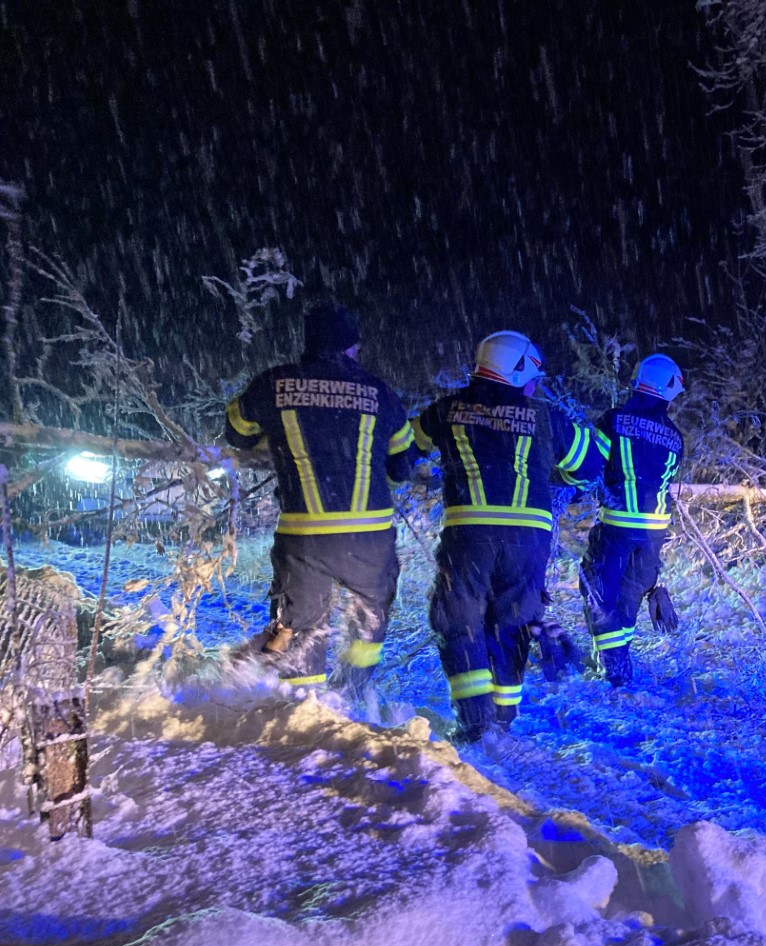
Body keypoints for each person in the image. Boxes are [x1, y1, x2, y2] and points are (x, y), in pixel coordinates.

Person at [414, 330, 604, 741]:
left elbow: (407, 446)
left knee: (459, 621)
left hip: (468, 534)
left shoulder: (447, 409)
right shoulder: (546, 417)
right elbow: (590, 465)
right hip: (528, 538)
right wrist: (552, 470)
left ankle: (474, 720)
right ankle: (501, 718)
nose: (534, 387)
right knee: (512, 623)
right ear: (518, 373)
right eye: (532, 378)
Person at [224, 300, 420, 692]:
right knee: (369, 622)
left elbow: (237, 432)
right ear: (352, 347)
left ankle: (301, 702)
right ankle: (350, 693)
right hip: (370, 538)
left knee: (299, 629)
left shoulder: (274, 383)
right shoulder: (381, 393)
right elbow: (403, 466)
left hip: (305, 535)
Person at [581, 352, 686, 688]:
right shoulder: (675, 437)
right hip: (654, 534)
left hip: (616, 527)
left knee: (597, 590)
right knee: (628, 598)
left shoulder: (613, 420)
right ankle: (615, 665)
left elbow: (589, 466)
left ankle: (615, 667)